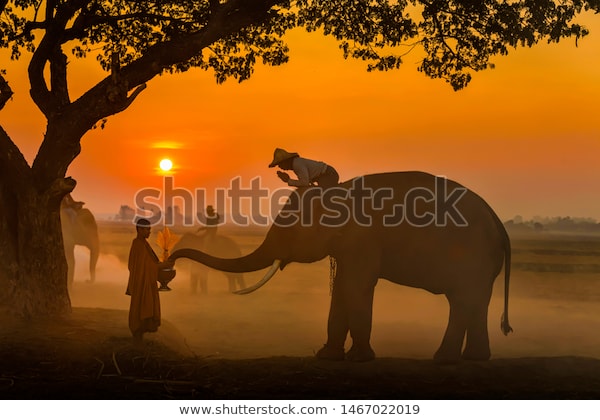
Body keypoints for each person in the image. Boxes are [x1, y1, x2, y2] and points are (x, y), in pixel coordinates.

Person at [126, 218, 173, 344]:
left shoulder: (144, 244)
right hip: (141, 283)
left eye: (149, 230)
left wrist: (160, 264)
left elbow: (149, 264)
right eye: (147, 229)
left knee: (145, 307)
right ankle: (136, 337)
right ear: (139, 230)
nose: (149, 232)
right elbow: (143, 266)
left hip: (146, 282)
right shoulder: (138, 245)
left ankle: (139, 338)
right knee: (139, 308)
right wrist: (161, 266)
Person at [269, 148, 339, 189]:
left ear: (286, 161)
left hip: (328, 175)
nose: (280, 167)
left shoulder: (297, 164)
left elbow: (304, 183)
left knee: (320, 196)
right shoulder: (296, 164)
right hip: (325, 176)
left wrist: (288, 180)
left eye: (280, 164)